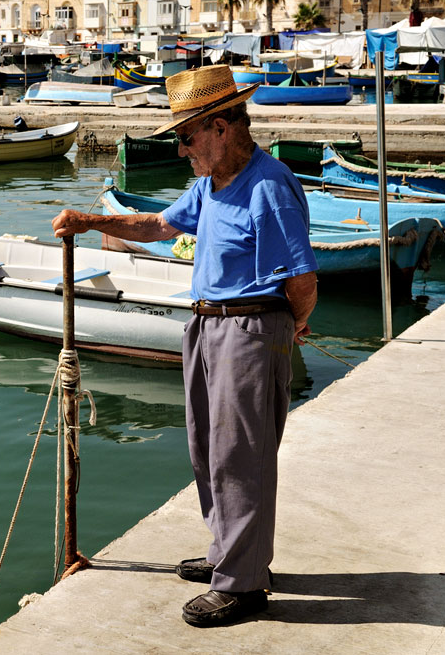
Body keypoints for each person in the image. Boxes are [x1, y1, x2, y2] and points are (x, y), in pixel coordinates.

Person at [51, 64, 318, 628]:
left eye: (186, 136)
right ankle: (229, 553)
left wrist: (286, 328)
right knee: (207, 449)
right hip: (208, 326)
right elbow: (157, 226)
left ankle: (243, 585)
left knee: (240, 458)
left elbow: (302, 280)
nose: (181, 149)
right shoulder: (210, 186)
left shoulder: (268, 186)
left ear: (221, 128)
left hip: (248, 327)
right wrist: (86, 220)